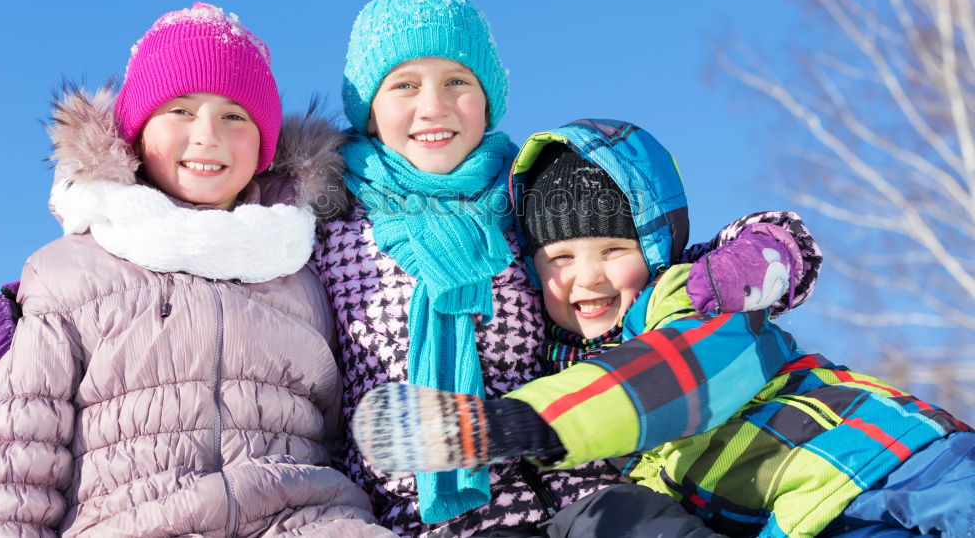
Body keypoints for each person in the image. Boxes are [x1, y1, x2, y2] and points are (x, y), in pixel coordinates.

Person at [310, 0, 823, 536]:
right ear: (368, 110)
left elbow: (670, 266)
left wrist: (725, 277)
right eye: (404, 85)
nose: (433, 106)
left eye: (457, 80)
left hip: (586, 489)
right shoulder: (328, 226)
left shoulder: (530, 201)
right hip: (431, 519)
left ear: (488, 100)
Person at [352, 119, 975, 537]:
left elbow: (674, 377)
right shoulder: (567, 361)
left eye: (611, 251)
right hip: (815, 514)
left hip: (899, 468)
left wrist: (510, 424)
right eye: (560, 260)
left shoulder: (683, 301)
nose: (587, 279)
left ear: (653, 245)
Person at [0, 3, 393, 537]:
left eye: (234, 116)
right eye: (180, 110)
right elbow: (17, 464)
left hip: (305, 516)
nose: (208, 135)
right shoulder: (68, 275)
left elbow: (334, 432)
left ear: (263, 146)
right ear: (136, 129)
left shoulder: (300, 270)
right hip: (138, 520)